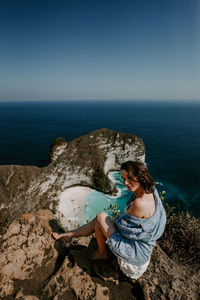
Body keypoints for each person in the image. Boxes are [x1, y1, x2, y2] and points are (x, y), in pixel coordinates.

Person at [52, 161, 166, 280]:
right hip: (143, 251)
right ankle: (70, 235)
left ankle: (101, 253)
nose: (126, 183)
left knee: (101, 218)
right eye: (123, 178)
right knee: (101, 220)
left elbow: (124, 229)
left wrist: (111, 221)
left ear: (139, 176)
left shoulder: (140, 203)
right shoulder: (151, 190)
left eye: (130, 178)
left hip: (133, 258)